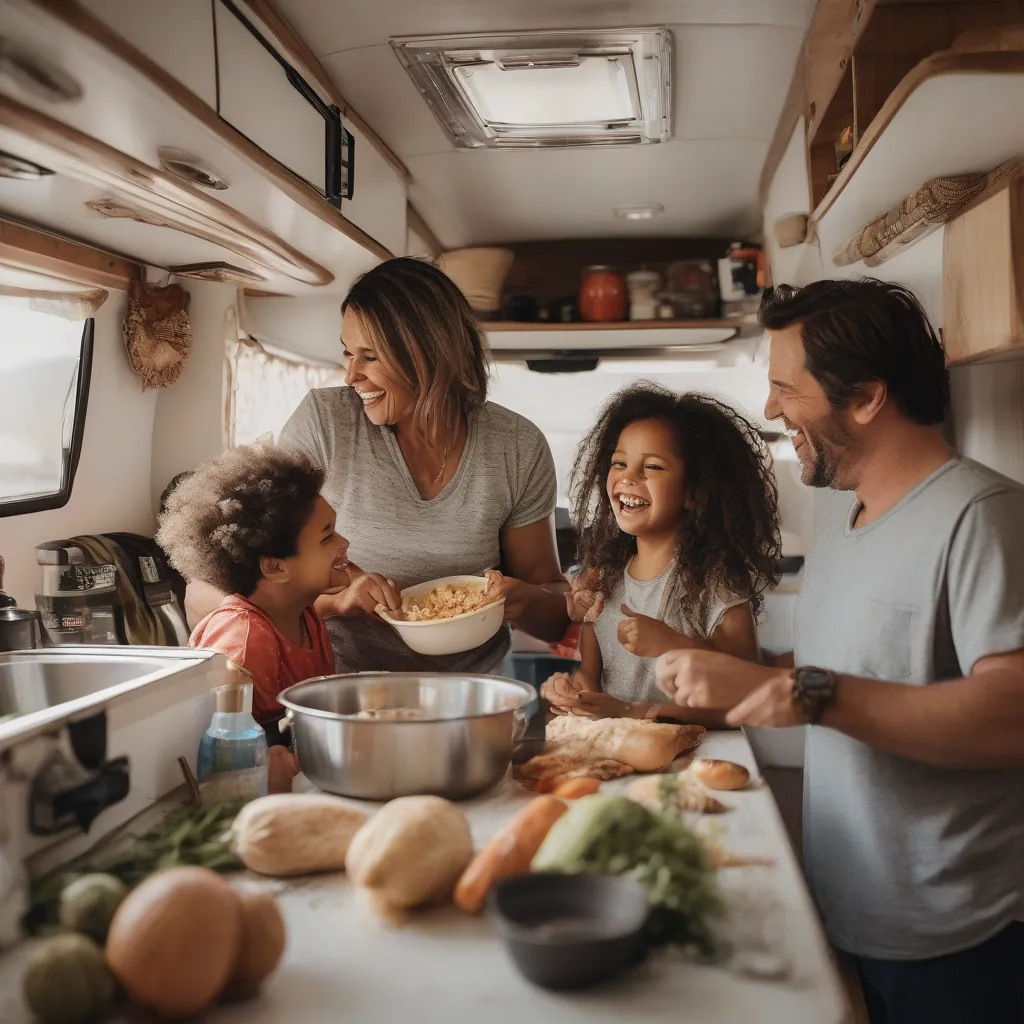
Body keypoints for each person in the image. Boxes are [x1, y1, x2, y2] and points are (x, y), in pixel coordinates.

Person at [655, 279, 1024, 1024]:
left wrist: (810, 694)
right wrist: (741, 680)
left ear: (864, 399)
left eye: (786, 389)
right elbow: (845, 666)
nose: (769, 411)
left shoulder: (983, 516)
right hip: (851, 908)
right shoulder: (845, 514)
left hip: (960, 940)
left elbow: (1012, 714)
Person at [186, 257, 570, 674]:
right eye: (348, 353)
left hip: (472, 693)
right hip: (343, 687)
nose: (351, 375)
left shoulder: (516, 446)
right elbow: (240, 586)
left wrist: (521, 600)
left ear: (429, 354)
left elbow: (553, 615)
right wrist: (341, 601)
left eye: (370, 357)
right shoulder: (325, 423)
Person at [541, 382, 780, 723]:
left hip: (698, 762)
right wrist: (569, 691)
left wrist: (672, 644)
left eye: (652, 467)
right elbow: (590, 680)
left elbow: (750, 694)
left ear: (694, 492)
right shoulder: (603, 583)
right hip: (619, 761)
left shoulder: (719, 586)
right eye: (619, 463)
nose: (627, 478)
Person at [157, 443, 353, 732]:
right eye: (327, 538)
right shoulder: (245, 641)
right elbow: (220, 744)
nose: (344, 543)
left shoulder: (304, 616)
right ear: (275, 567)